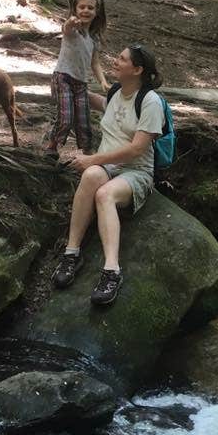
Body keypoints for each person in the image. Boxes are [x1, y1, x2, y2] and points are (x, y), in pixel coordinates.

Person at [51, 44, 165, 305]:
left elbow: (137, 149)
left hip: (136, 172)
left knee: (104, 194)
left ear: (137, 70)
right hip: (108, 168)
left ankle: (111, 271)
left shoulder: (150, 102)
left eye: (122, 59)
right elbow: (106, 105)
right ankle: (71, 254)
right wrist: (71, 88)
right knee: (91, 176)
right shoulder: (116, 92)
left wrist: (93, 158)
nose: (115, 60)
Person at [43, 0, 109, 159]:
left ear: (96, 12)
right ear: (75, 9)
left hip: (81, 84)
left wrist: (103, 81)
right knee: (66, 117)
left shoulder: (93, 39)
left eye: (90, 8)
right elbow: (66, 27)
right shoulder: (72, 30)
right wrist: (71, 22)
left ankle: (88, 153)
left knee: (83, 120)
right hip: (62, 78)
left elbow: (94, 62)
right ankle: (52, 146)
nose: (86, 10)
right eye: (82, 7)